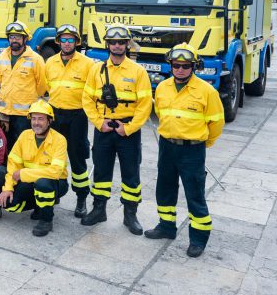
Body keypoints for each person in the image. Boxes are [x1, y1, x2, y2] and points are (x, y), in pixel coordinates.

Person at [145, 43, 224, 258]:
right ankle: (166, 226)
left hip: (192, 151)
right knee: (165, 188)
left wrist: (203, 143)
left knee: (194, 194)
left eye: (186, 66)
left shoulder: (207, 91)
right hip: (167, 146)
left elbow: (216, 122)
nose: (180, 69)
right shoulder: (162, 87)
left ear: (194, 66)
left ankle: (198, 239)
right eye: (176, 65)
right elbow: (160, 112)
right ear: (170, 65)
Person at [81, 25, 152, 235]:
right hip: (104, 128)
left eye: (121, 42)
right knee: (101, 170)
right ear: (108, 44)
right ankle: (99, 209)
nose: (117, 46)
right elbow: (87, 99)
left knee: (131, 173)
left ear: (127, 44)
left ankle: (130, 215)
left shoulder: (138, 71)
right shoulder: (97, 70)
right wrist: (98, 122)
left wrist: (129, 128)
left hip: (127, 131)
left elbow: (145, 105)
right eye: (113, 42)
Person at [0, 100, 69, 237]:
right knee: (9, 205)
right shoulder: (25, 135)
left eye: (41, 119)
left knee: (43, 183)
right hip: (29, 181)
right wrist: (8, 188)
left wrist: (24, 174)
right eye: (34, 118)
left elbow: (55, 172)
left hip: (55, 182)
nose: (36, 122)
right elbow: (13, 164)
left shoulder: (59, 140)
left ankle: (46, 220)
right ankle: (39, 205)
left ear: (49, 121)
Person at [44, 24, 95, 218]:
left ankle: (81, 199)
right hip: (55, 115)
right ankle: (55, 191)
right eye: (63, 40)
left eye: (71, 40)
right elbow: (47, 87)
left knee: (77, 158)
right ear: (58, 42)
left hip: (77, 117)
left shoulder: (88, 64)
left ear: (76, 42)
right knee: (53, 157)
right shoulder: (50, 62)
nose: (67, 43)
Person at [0, 22, 47, 147]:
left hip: (24, 115)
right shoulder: (2, 57)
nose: (14, 40)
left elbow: (42, 85)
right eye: (12, 37)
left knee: (23, 147)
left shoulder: (36, 59)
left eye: (18, 37)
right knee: (5, 147)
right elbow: (2, 81)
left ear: (25, 39)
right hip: (5, 113)